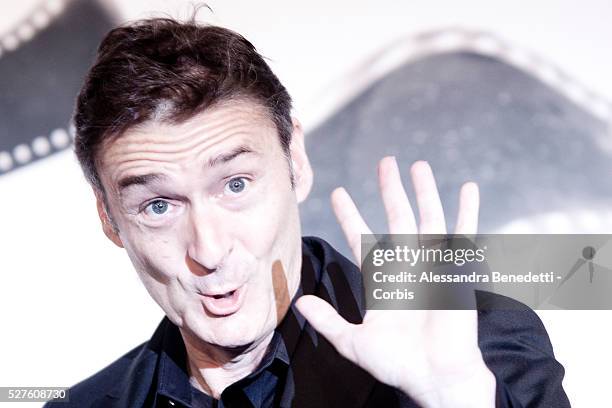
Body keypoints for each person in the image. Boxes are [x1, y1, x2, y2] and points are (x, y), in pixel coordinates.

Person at [46, 17, 569, 407]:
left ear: (295, 160)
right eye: (157, 205)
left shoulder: (480, 343)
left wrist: (457, 399)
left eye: (235, 183)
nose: (208, 248)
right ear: (109, 219)